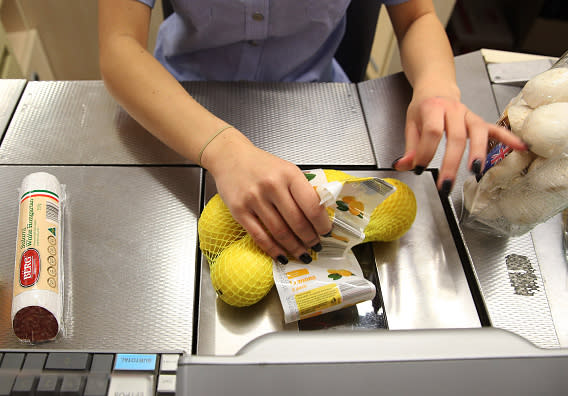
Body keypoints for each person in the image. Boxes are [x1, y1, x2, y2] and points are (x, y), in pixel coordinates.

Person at [98, 0, 526, 265]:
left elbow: (416, 16)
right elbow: (119, 44)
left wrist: (436, 86)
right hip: (176, 108)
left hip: (318, 107)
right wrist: (221, 149)